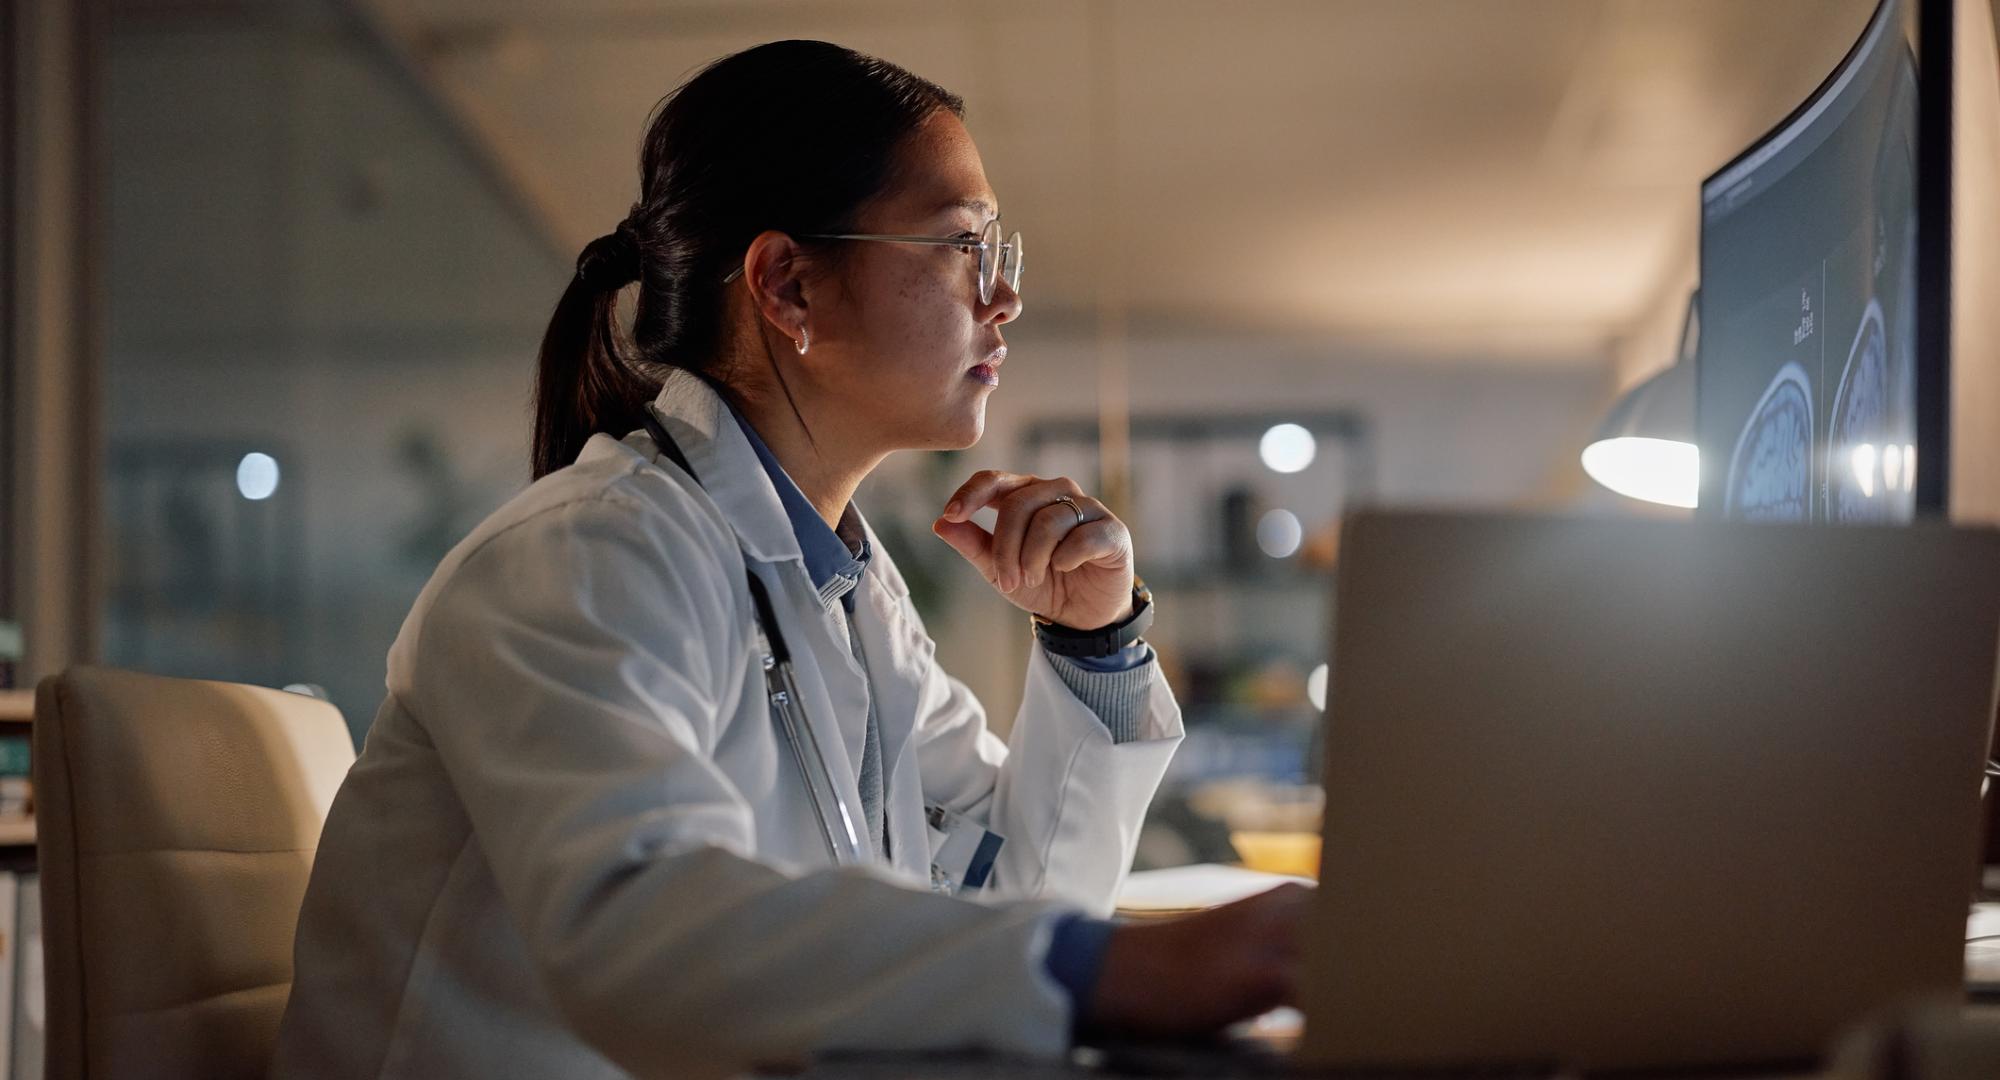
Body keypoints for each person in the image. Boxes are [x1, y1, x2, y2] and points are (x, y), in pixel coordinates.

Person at [273, 39, 1306, 1080]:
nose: (1002, 301)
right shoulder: (585, 555)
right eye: (961, 248)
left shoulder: (843, 590)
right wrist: (1105, 971)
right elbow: (637, 929)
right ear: (787, 286)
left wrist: (1096, 646)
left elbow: (1012, 898)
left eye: (999, 256)